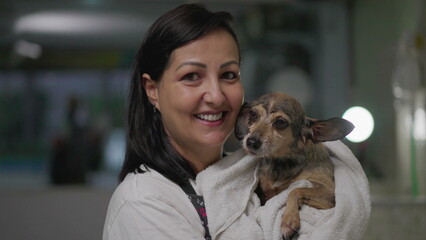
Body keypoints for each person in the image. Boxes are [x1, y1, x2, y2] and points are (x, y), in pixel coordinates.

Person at [103, 4, 370, 240]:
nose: (216, 95)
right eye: (192, 76)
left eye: (228, 74)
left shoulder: (249, 173)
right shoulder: (145, 203)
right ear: (153, 90)